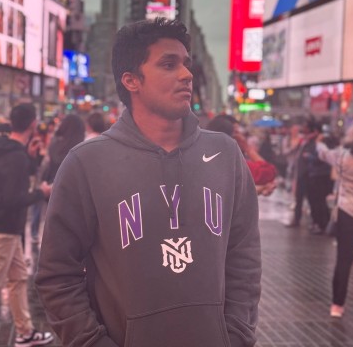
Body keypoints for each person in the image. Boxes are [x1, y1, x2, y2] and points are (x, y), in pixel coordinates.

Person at [36, 18, 261, 347]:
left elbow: (244, 258)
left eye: (186, 63)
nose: (186, 74)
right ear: (131, 80)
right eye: (168, 64)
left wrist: (236, 336)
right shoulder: (86, 163)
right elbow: (57, 275)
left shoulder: (225, 154)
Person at [0, 103, 53, 346]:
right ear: (33, 124)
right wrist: (41, 192)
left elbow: (8, 184)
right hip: (2, 226)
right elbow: (12, 198)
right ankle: (25, 331)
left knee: (18, 278)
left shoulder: (3, 148)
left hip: (3, 224)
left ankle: (25, 332)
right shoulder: (15, 155)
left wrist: (31, 158)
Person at [316, 123, 353, 322]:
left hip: (347, 214)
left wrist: (319, 143)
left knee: (343, 261)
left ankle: (337, 305)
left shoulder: (343, 157)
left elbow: (323, 154)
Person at [30, 114, 85, 242]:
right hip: (74, 193)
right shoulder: (82, 147)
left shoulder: (55, 144)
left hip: (52, 187)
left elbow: (47, 165)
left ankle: (40, 235)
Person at [206, 114, 277, 196]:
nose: (240, 136)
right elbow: (268, 172)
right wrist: (247, 148)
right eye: (236, 132)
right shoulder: (233, 165)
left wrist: (261, 189)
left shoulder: (202, 158)